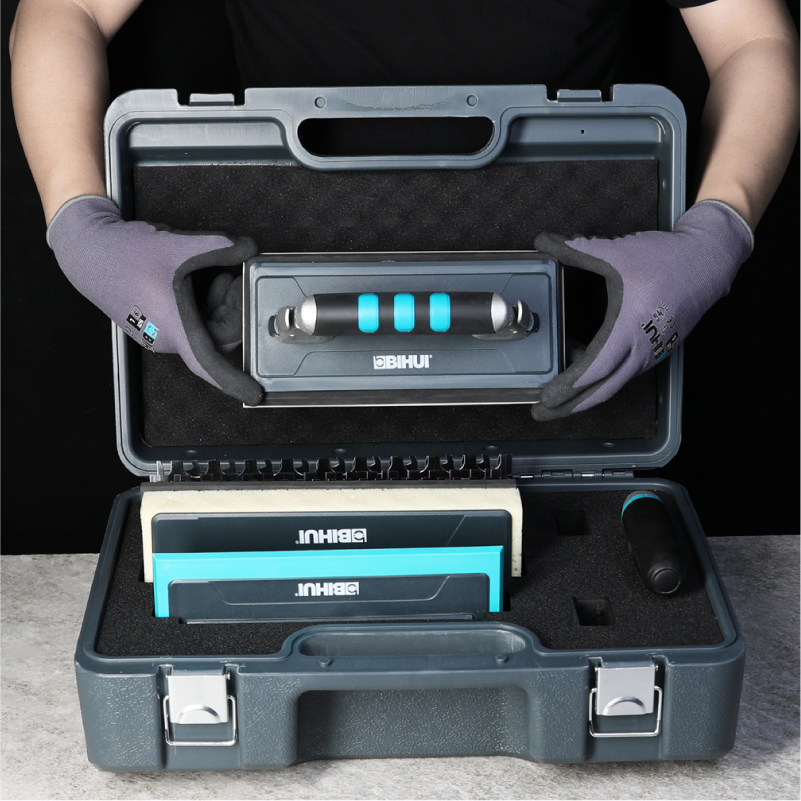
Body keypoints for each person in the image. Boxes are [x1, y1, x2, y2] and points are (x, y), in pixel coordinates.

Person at [9, 0, 801, 416]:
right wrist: (80, 225)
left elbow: (751, 41)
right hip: (274, 349)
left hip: (577, 341)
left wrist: (715, 233)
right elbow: (60, 10)